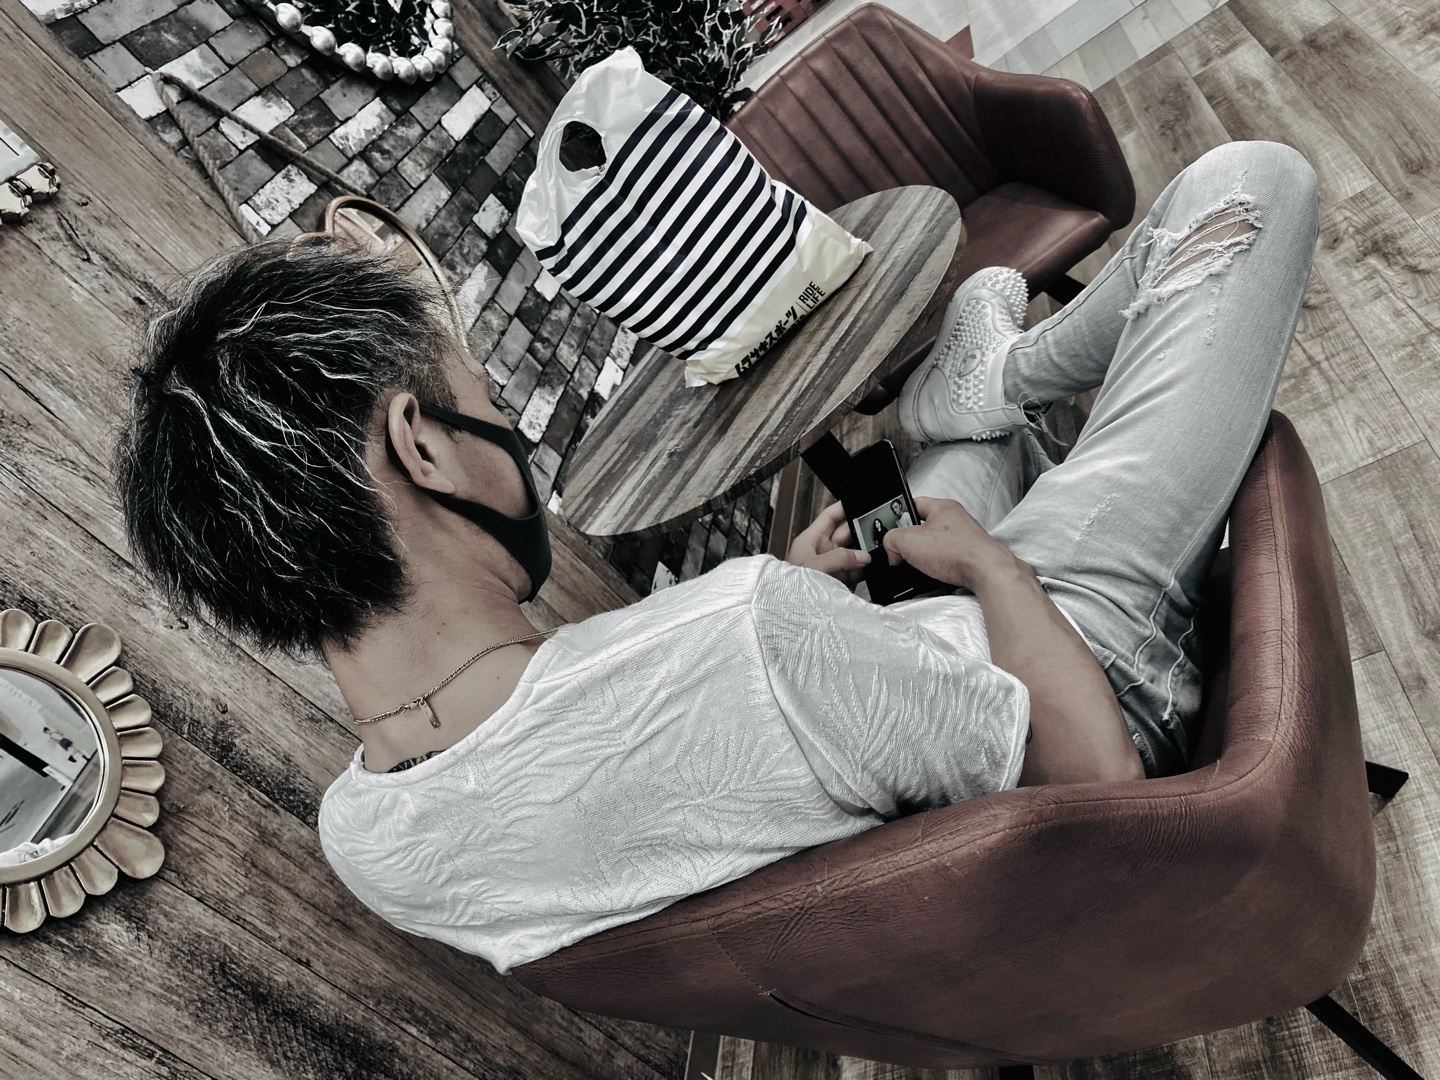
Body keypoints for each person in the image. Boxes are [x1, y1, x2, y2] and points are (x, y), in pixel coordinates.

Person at [115, 141, 1318, 975]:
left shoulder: (368, 844)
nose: (508, 430)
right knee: (1247, 187)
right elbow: (1098, 793)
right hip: (1081, 686)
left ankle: (982, 406)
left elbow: (644, 768)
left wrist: (801, 601)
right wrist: (993, 580)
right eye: (484, 402)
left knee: (935, 467)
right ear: (422, 447)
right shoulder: (744, 634)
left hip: (916, 768)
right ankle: (1000, 389)